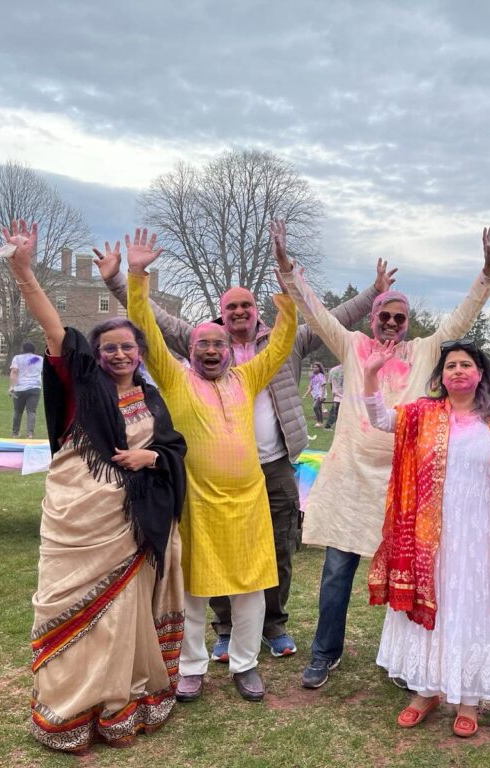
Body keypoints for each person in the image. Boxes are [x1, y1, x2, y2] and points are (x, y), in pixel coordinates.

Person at [97, 236, 393, 663]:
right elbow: (151, 321)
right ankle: (225, 631)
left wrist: (367, 292)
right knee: (208, 554)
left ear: (256, 312)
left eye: (246, 306)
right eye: (230, 308)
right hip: (203, 476)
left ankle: (273, 626)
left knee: (276, 550)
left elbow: (332, 318)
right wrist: (126, 277)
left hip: (270, 467)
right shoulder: (197, 344)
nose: (237, 315)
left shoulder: (268, 356)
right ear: (215, 321)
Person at [276, 223, 490, 689]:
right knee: (337, 574)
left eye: (400, 318)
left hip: (407, 483)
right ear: (372, 320)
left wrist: (486, 274)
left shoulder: (423, 352)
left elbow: (460, 320)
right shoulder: (353, 347)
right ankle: (324, 653)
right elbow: (316, 314)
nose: (393, 324)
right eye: (386, 317)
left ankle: (403, 659)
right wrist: (286, 268)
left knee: (407, 575)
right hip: (351, 480)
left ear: (408, 322)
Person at [0, 220, 187, 753]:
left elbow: (174, 450)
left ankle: (118, 705)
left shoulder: (153, 401)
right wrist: (23, 270)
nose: (120, 355)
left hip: (128, 526)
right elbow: (55, 327)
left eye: (129, 347)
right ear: (95, 355)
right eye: (110, 348)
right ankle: (65, 712)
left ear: (141, 353)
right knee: (63, 605)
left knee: (120, 617)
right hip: (74, 518)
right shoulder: (82, 382)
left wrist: (152, 455)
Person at [120, 228, 297, 703]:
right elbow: (147, 331)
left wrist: (286, 280)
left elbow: (280, 343)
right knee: (195, 591)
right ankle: (193, 666)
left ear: (230, 349)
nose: (213, 350)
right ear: (191, 351)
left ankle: (245, 665)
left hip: (249, 503)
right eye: (204, 344)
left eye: (220, 343)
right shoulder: (176, 380)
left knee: (252, 590)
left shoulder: (248, 375)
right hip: (197, 500)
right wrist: (137, 275)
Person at [363, 338, 490, 737]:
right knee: (435, 606)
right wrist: (369, 374)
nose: (458, 371)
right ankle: (426, 691)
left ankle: (469, 700)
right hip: (430, 538)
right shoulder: (421, 414)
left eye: (466, 364)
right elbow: (382, 420)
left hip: (481, 538)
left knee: (472, 609)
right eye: (450, 366)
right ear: (441, 377)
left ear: (480, 373)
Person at [10, 341, 43, 438]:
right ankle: (30, 433)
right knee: (31, 411)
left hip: (19, 388)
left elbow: (14, 372)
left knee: (18, 411)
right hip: (34, 388)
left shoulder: (17, 358)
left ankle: (15, 433)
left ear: (23, 349)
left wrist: (12, 386)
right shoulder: (39, 359)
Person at [324, 363, 344, 428]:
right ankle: (332, 426)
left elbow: (330, 383)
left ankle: (329, 425)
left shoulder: (333, 370)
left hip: (337, 396)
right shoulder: (350, 369)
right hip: (346, 397)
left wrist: (334, 391)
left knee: (334, 412)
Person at [309, 362, 327, 428]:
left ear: (319, 368)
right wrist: (311, 393)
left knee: (315, 407)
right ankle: (321, 423)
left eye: (316, 367)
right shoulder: (313, 376)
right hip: (315, 395)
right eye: (313, 367)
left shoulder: (321, 375)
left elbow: (323, 386)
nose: (314, 368)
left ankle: (319, 422)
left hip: (321, 395)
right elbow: (312, 386)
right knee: (318, 408)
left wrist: (322, 396)